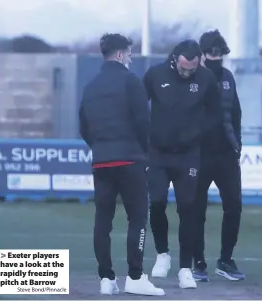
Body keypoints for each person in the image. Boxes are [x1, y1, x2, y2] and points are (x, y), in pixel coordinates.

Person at [79, 33, 164, 296]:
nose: (130, 58)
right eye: (128, 53)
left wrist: (100, 147)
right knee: (138, 217)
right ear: (119, 54)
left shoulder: (90, 86)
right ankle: (136, 277)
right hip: (130, 159)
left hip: (102, 161)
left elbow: (84, 127)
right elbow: (143, 122)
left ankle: (106, 279)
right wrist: (143, 152)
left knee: (103, 219)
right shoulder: (131, 81)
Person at [143, 39, 223, 289]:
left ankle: (186, 268)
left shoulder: (206, 78)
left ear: (199, 61)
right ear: (174, 59)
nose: (187, 72)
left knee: (188, 208)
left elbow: (217, 112)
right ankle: (162, 254)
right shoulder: (155, 74)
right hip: (157, 153)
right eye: (183, 68)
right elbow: (137, 106)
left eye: (192, 69)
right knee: (156, 203)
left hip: (188, 154)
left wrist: (197, 132)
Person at [192, 29, 244, 282]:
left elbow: (235, 113)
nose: (217, 57)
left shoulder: (228, 78)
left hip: (226, 155)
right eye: (212, 52)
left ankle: (226, 259)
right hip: (199, 155)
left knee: (234, 206)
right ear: (202, 55)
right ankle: (198, 261)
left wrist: (238, 144)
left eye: (220, 52)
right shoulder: (193, 79)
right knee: (196, 210)